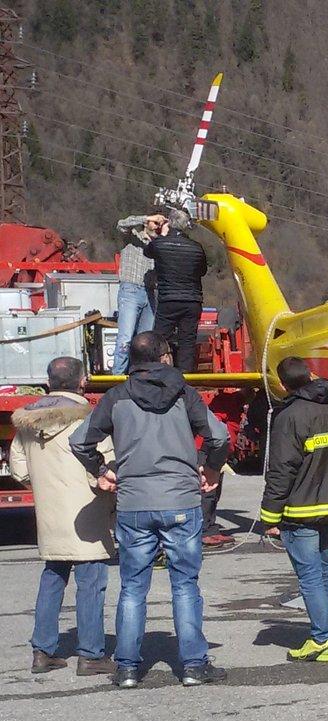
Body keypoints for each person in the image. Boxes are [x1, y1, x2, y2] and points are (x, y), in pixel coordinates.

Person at [70, 330, 230, 687]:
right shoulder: (185, 395)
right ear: (164, 356)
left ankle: (127, 667)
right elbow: (220, 436)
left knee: (132, 587)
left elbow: (80, 441)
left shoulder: (116, 397)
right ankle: (193, 665)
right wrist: (209, 466)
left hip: (134, 502)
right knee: (185, 584)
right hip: (180, 499)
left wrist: (101, 469)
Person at [6, 357, 116, 675]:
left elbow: (19, 468)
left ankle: (42, 651)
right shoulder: (90, 418)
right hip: (88, 515)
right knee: (91, 583)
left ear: (48, 381)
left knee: (52, 579)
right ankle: (91, 655)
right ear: (82, 382)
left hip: (51, 516)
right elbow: (107, 466)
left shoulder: (28, 421)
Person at [259, 357, 328, 663]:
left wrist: (268, 515)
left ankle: (321, 639)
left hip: (302, 508)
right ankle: (325, 629)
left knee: (310, 576)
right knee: (323, 566)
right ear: (312, 375)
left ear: (282, 384)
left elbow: (281, 470)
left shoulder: (290, 415)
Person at [144, 212, 208, 373]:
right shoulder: (196, 247)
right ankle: (185, 376)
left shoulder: (160, 244)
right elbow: (202, 271)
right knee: (187, 340)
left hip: (169, 299)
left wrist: (161, 233)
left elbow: (147, 251)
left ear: (170, 224)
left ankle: (158, 373)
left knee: (160, 339)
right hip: (193, 300)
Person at [112, 212, 162, 375]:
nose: (157, 226)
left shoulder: (160, 245)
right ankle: (118, 376)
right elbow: (121, 224)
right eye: (155, 223)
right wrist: (147, 218)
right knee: (125, 338)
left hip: (150, 292)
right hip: (131, 290)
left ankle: (140, 376)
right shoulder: (133, 237)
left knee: (145, 341)